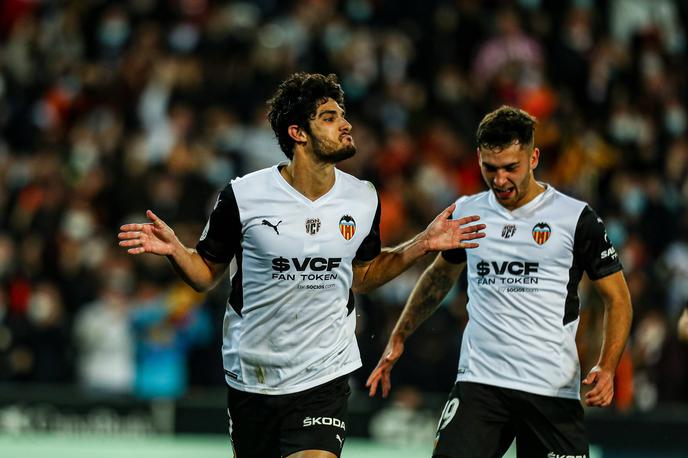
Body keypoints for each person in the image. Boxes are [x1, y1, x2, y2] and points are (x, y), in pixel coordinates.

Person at [118, 72, 485, 458]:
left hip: (323, 373)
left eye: (342, 115)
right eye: (329, 117)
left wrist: (421, 244)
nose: (345, 124)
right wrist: (177, 251)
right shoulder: (244, 196)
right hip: (253, 375)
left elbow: (362, 275)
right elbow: (206, 275)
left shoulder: (362, 198)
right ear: (298, 133)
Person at [367, 106, 633, 458]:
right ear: (478, 158)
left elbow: (618, 299)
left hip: (550, 388)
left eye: (511, 167)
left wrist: (607, 365)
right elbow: (438, 277)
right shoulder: (467, 212)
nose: (500, 179)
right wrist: (399, 336)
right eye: (490, 169)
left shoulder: (575, 218)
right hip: (481, 383)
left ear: (533, 157)